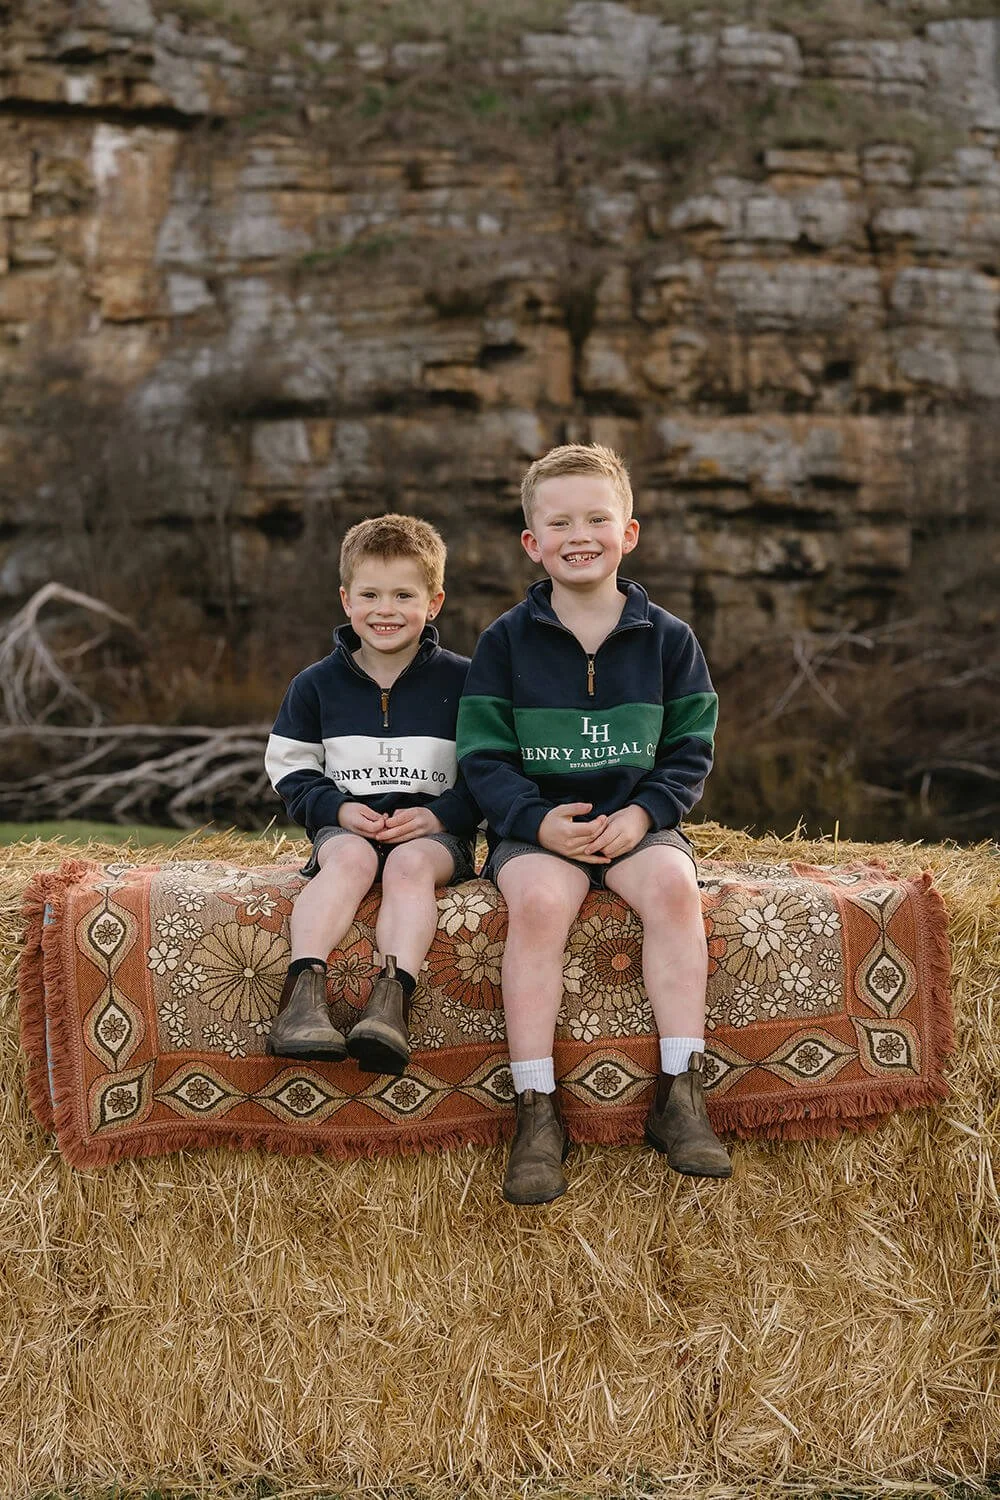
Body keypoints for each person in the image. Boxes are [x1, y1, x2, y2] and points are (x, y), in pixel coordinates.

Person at [456, 443, 731, 1204]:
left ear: (629, 532)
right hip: (535, 830)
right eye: (559, 522)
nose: (580, 535)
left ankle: (680, 1095)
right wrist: (535, 823)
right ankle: (537, 1110)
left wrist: (645, 813)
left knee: (676, 890)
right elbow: (482, 757)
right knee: (541, 905)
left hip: (636, 826)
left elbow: (689, 750)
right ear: (532, 543)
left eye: (597, 519)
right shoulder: (504, 642)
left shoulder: (669, 639)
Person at [265, 514, 480, 1074]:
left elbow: (488, 769)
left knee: (407, 866)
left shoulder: (464, 682)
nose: (386, 609)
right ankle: (303, 997)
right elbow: (290, 764)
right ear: (346, 600)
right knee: (351, 859)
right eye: (370, 594)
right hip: (347, 826)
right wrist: (334, 808)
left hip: (433, 836)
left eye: (403, 594)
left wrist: (442, 818)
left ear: (434, 602)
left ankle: (390, 1003)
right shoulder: (315, 685)